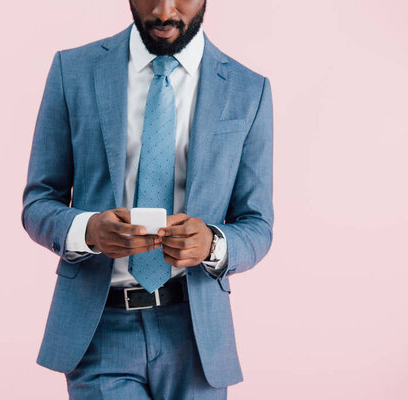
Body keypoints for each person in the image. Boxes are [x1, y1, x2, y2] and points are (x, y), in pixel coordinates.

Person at [21, 0, 273, 398]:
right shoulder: (74, 71)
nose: (163, 11)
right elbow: (39, 201)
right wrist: (88, 231)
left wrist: (211, 243)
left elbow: (257, 225)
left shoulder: (248, 89)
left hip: (197, 332)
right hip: (100, 327)